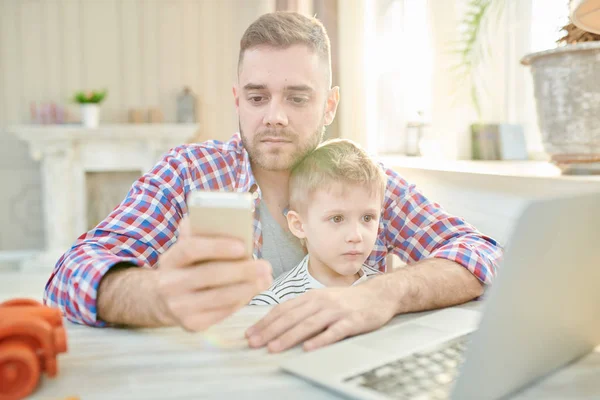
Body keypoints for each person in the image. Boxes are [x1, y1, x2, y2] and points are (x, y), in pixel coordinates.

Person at [44, 12, 502, 354]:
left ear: (329, 105)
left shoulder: (364, 178)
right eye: (257, 97)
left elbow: (482, 253)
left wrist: (384, 292)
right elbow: (69, 275)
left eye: (297, 97)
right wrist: (157, 297)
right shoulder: (187, 172)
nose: (274, 116)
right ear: (237, 100)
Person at [250, 139, 385, 306]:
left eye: (367, 218)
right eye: (337, 219)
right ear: (298, 225)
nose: (355, 236)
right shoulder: (273, 302)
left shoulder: (386, 290)